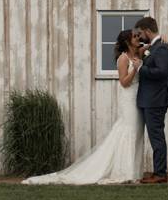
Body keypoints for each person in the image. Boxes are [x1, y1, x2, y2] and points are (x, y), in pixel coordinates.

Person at [22, 29, 145, 185]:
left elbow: (150, 45)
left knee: (137, 131)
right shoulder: (123, 59)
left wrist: (159, 39)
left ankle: (134, 171)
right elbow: (124, 82)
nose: (137, 38)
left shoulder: (138, 53)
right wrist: (134, 69)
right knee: (129, 131)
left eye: (137, 36)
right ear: (127, 41)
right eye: (134, 36)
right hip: (128, 99)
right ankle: (125, 172)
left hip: (138, 99)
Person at [133, 16, 168, 184]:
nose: (139, 37)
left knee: (156, 136)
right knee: (155, 135)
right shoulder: (153, 47)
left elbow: (162, 72)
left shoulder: (162, 48)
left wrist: (142, 68)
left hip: (156, 99)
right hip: (149, 99)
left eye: (141, 33)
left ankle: (160, 174)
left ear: (148, 31)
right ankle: (158, 171)